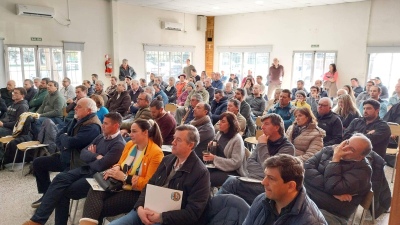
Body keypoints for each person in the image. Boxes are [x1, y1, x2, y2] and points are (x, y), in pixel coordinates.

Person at [23, 112, 125, 225]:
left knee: (62, 191)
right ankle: (37, 220)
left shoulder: (119, 144)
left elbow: (101, 166)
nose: (102, 125)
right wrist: (96, 156)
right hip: (87, 169)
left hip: (99, 177)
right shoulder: (102, 136)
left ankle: (38, 220)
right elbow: (83, 153)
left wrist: (91, 157)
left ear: (116, 126)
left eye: (106, 123)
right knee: (59, 178)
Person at [108, 124, 210, 225]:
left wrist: (160, 217)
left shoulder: (200, 173)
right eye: (174, 138)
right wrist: (139, 208)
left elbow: (193, 212)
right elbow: (149, 186)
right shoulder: (167, 160)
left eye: (178, 140)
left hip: (169, 220)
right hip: (146, 211)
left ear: (190, 145)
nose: (173, 142)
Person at [79, 119, 164, 225]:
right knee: (95, 189)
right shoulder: (129, 145)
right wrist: (115, 169)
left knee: (98, 208)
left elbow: (149, 185)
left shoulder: (156, 153)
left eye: (134, 131)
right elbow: (120, 163)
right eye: (130, 131)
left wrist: (124, 178)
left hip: (136, 193)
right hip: (119, 184)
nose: (130, 134)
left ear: (145, 132)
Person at [30, 98, 103, 209]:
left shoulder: (92, 126)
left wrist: (65, 139)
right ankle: (46, 194)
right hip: (66, 156)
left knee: (59, 180)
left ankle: (49, 199)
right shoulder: (77, 119)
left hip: (76, 162)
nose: (75, 108)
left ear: (88, 110)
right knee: (38, 163)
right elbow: (59, 134)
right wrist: (64, 143)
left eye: (78, 106)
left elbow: (71, 142)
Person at [217, 113, 295, 205]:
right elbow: (250, 162)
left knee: (232, 183)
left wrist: (262, 145)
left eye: (266, 124)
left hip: (269, 187)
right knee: (232, 194)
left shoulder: (287, 148)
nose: (262, 127)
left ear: (276, 127)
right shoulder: (264, 140)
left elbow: (271, 169)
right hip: (253, 179)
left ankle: (212, 209)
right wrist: (263, 172)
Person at [304, 134, 373, 225]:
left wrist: (335, 159)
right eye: (347, 142)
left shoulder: (363, 171)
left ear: (360, 157)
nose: (344, 148)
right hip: (308, 199)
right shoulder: (329, 150)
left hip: (331, 213)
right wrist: (331, 192)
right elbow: (305, 168)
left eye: (351, 149)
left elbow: (333, 187)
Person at [243, 154, 327, 225]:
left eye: (271, 178)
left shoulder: (311, 221)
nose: (263, 182)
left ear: (291, 186)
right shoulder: (261, 200)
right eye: (265, 176)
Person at [203, 112, 246, 187]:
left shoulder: (237, 139)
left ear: (230, 124)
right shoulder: (220, 133)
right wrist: (212, 146)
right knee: (199, 174)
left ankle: (207, 197)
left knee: (206, 179)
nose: (219, 123)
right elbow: (216, 149)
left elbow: (236, 163)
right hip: (217, 166)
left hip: (232, 171)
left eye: (223, 121)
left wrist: (214, 158)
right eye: (220, 121)